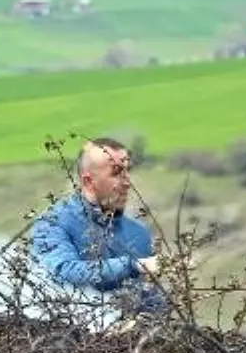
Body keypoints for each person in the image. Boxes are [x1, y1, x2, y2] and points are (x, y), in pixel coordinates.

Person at [30, 137, 168, 320]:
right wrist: (133, 265)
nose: (127, 182)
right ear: (88, 181)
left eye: (128, 171)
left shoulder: (139, 233)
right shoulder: (52, 223)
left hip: (131, 344)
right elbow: (65, 272)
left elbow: (149, 300)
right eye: (117, 173)